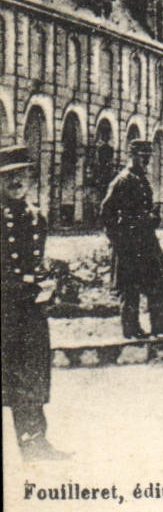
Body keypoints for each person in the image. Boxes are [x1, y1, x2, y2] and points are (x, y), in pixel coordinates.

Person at [2, 145, 67, 461]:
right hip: (5, 311)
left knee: (34, 374)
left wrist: (47, 284)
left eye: (20, 175)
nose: (16, 182)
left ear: (29, 176)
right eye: (8, 177)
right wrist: (25, 284)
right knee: (10, 375)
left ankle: (35, 441)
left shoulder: (35, 216)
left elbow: (37, 264)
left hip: (31, 311)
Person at [100, 139, 163, 340]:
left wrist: (152, 218)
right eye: (141, 156)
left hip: (147, 239)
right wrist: (117, 239)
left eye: (147, 156)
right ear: (132, 155)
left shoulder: (141, 178)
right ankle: (131, 329)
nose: (145, 160)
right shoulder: (123, 179)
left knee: (159, 282)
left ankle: (160, 326)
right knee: (130, 287)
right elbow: (106, 211)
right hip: (129, 241)